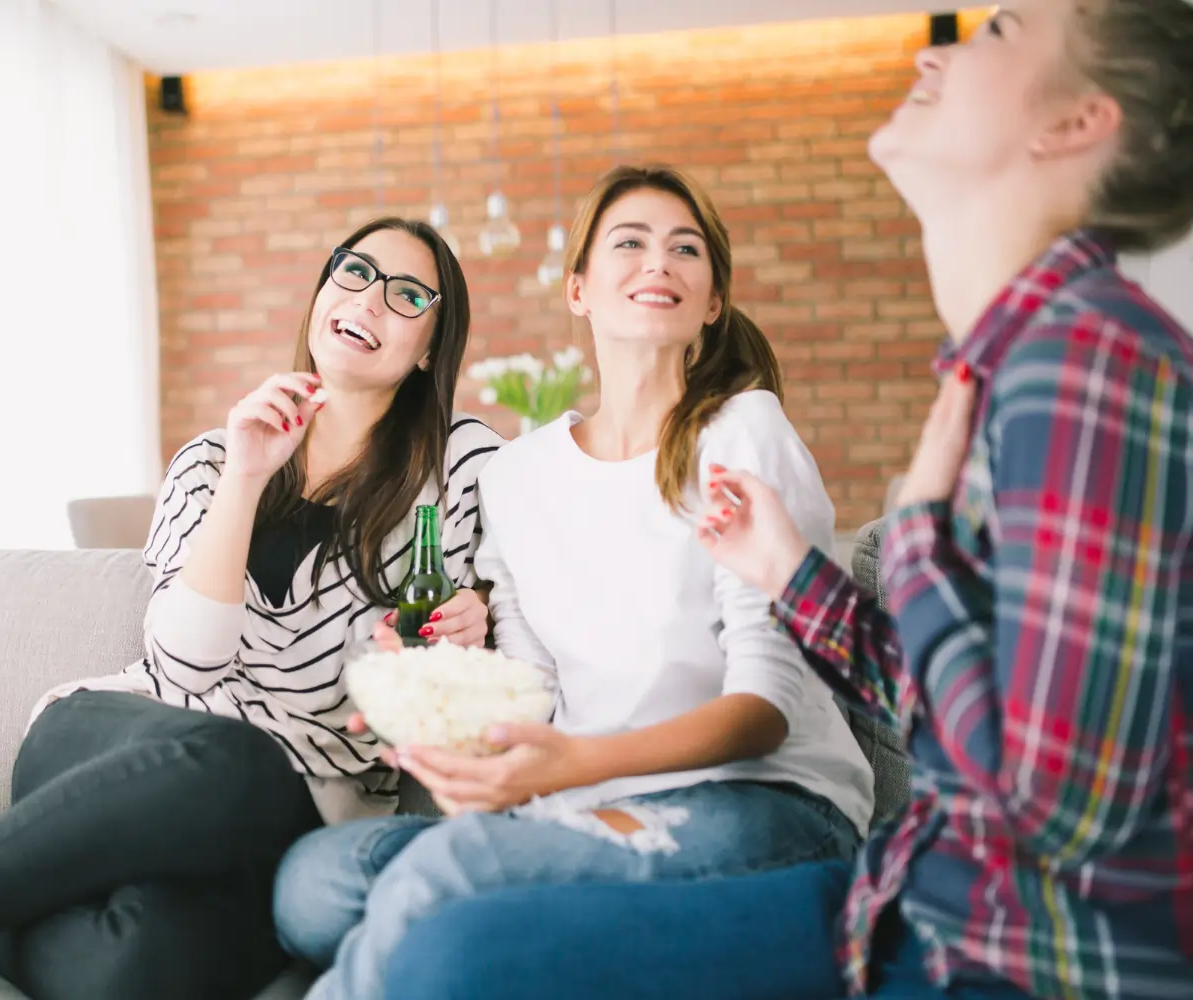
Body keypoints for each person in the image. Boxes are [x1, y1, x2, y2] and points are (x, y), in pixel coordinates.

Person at [382, 2, 1193, 998]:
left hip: (1015, 953)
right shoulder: (1015, 366)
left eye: (997, 32)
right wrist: (798, 578)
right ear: (578, 287)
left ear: (1072, 125)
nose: (939, 44)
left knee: (445, 945)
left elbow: (1052, 796)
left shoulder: (1086, 367)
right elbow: (963, 714)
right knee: (374, 902)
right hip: (926, 907)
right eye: (628, 245)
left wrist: (922, 545)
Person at [0, 216, 503, 1000]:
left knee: (136, 974)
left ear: (431, 343)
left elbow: (485, 621)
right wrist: (248, 476)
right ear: (324, 289)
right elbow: (188, 665)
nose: (369, 299)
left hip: (299, 806)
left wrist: (476, 613)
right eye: (354, 272)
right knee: (234, 756)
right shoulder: (215, 458)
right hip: (125, 742)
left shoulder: (464, 466)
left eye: (407, 294)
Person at [272, 165, 876, 1000]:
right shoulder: (520, 475)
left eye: (685, 249)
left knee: (435, 874)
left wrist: (563, 770)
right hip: (586, 803)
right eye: (629, 243)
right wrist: (431, 708)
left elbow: (766, 712)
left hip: (766, 808)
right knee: (315, 882)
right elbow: (534, 690)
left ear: (711, 302)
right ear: (580, 290)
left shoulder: (742, 431)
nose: (657, 261)